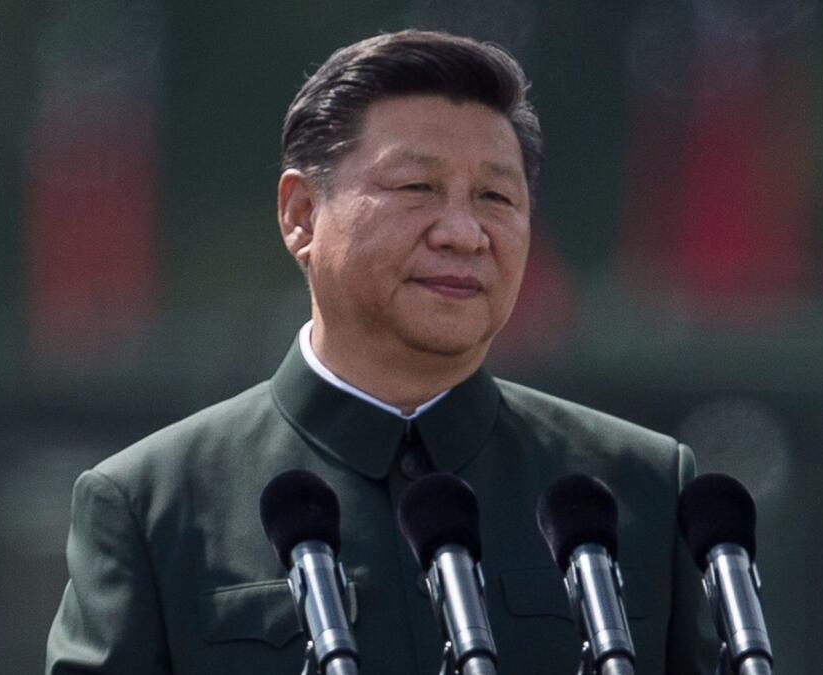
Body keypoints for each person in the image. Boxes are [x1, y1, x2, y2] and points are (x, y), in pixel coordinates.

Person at [46, 29, 718, 674]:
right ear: (301, 214)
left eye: (495, 197)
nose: (463, 233)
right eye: (416, 188)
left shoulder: (638, 489)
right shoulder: (154, 505)